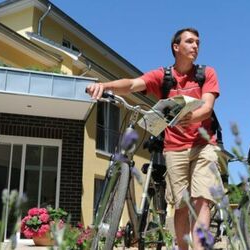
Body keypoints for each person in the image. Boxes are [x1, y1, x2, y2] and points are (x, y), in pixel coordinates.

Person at [86, 27, 222, 250]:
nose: (196, 46)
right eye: (190, 41)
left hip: (202, 145)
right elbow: (131, 84)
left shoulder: (206, 73)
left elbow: (207, 108)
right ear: (176, 47)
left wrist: (189, 117)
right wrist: (104, 85)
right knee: (181, 206)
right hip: (174, 148)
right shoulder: (163, 76)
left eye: (198, 42)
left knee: (201, 201)